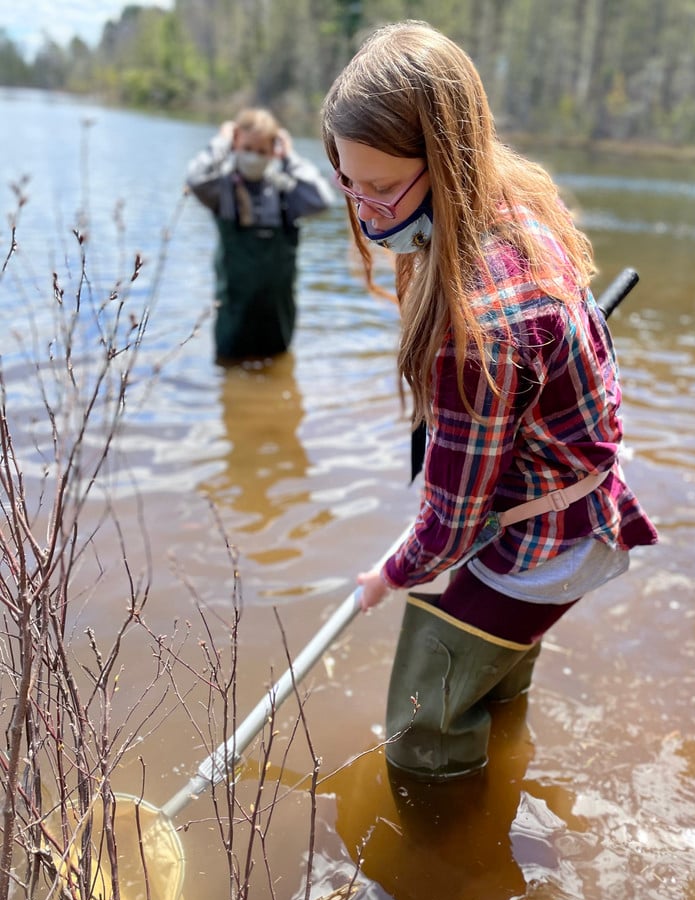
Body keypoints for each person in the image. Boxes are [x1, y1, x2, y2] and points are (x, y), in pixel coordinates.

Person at [321, 21, 659, 781]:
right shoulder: (508, 197)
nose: (366, 211)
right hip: (562, 502)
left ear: (446, 161)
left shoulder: (478, 330)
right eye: (348, 181)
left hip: (549, 538)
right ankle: (500, 796)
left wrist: (388, 575)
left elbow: (448, 525)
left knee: (420, 730)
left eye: (380, 188)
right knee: (495, 688)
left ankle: (448, 851)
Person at [186, 107, 334, 363]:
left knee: (277, 363)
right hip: (234, 315)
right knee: (229, 373)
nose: (254, 156)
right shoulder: (222, 189)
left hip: (277, 317)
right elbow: (195, 179)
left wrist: (290, 157)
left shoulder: (285, 189)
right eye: (247, 148)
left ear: (273, 151)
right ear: (236, 145)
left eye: (262, 151)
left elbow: (322, 199)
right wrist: (221, 142)